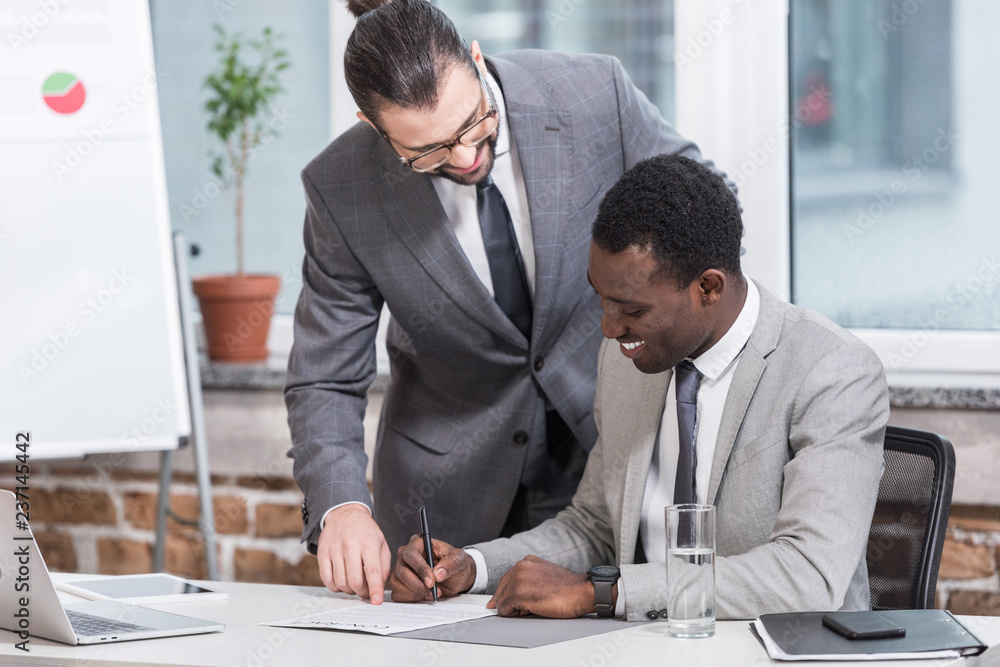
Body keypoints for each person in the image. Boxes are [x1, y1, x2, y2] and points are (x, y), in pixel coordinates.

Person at [284, 0, 735, 604]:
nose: (466, 158)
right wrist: (340, 505)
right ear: (373, 124)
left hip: (605, 457)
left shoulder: (592, 93)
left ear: (476, 59)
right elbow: (323, 376)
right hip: (444, 498)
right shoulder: (341, 187)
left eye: (472, 125)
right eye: (429, 154)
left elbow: (707, 207)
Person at [390, 154, 889, 622]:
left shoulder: (832, 371)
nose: (609, 329)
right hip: (645, 645)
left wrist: (604, 592)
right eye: (602, 301)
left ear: (708, 288)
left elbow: (807, 575)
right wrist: (473, 567)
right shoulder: (629, 358)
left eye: (631, 310)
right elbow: (595, 526)